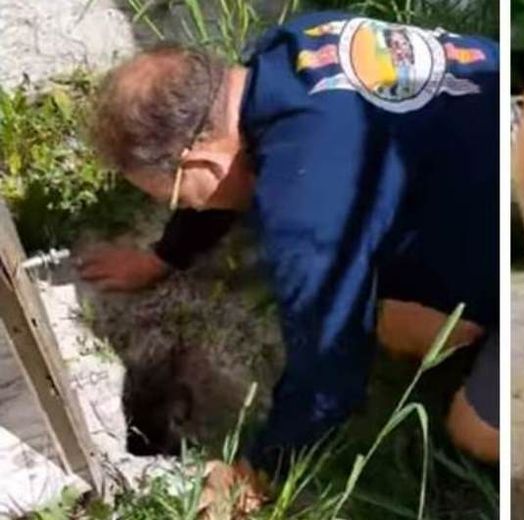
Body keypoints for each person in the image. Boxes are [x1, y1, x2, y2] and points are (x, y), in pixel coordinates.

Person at [86, 11, 499, 473]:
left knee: (471, 425)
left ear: (200, 162)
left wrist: (256, 470)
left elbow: (330, 377)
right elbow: (218, 178)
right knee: (401, 325)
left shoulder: (304, 205)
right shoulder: (286, 48)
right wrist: (164, 256)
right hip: (482, 145)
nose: (188, 207)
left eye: (176, 197)